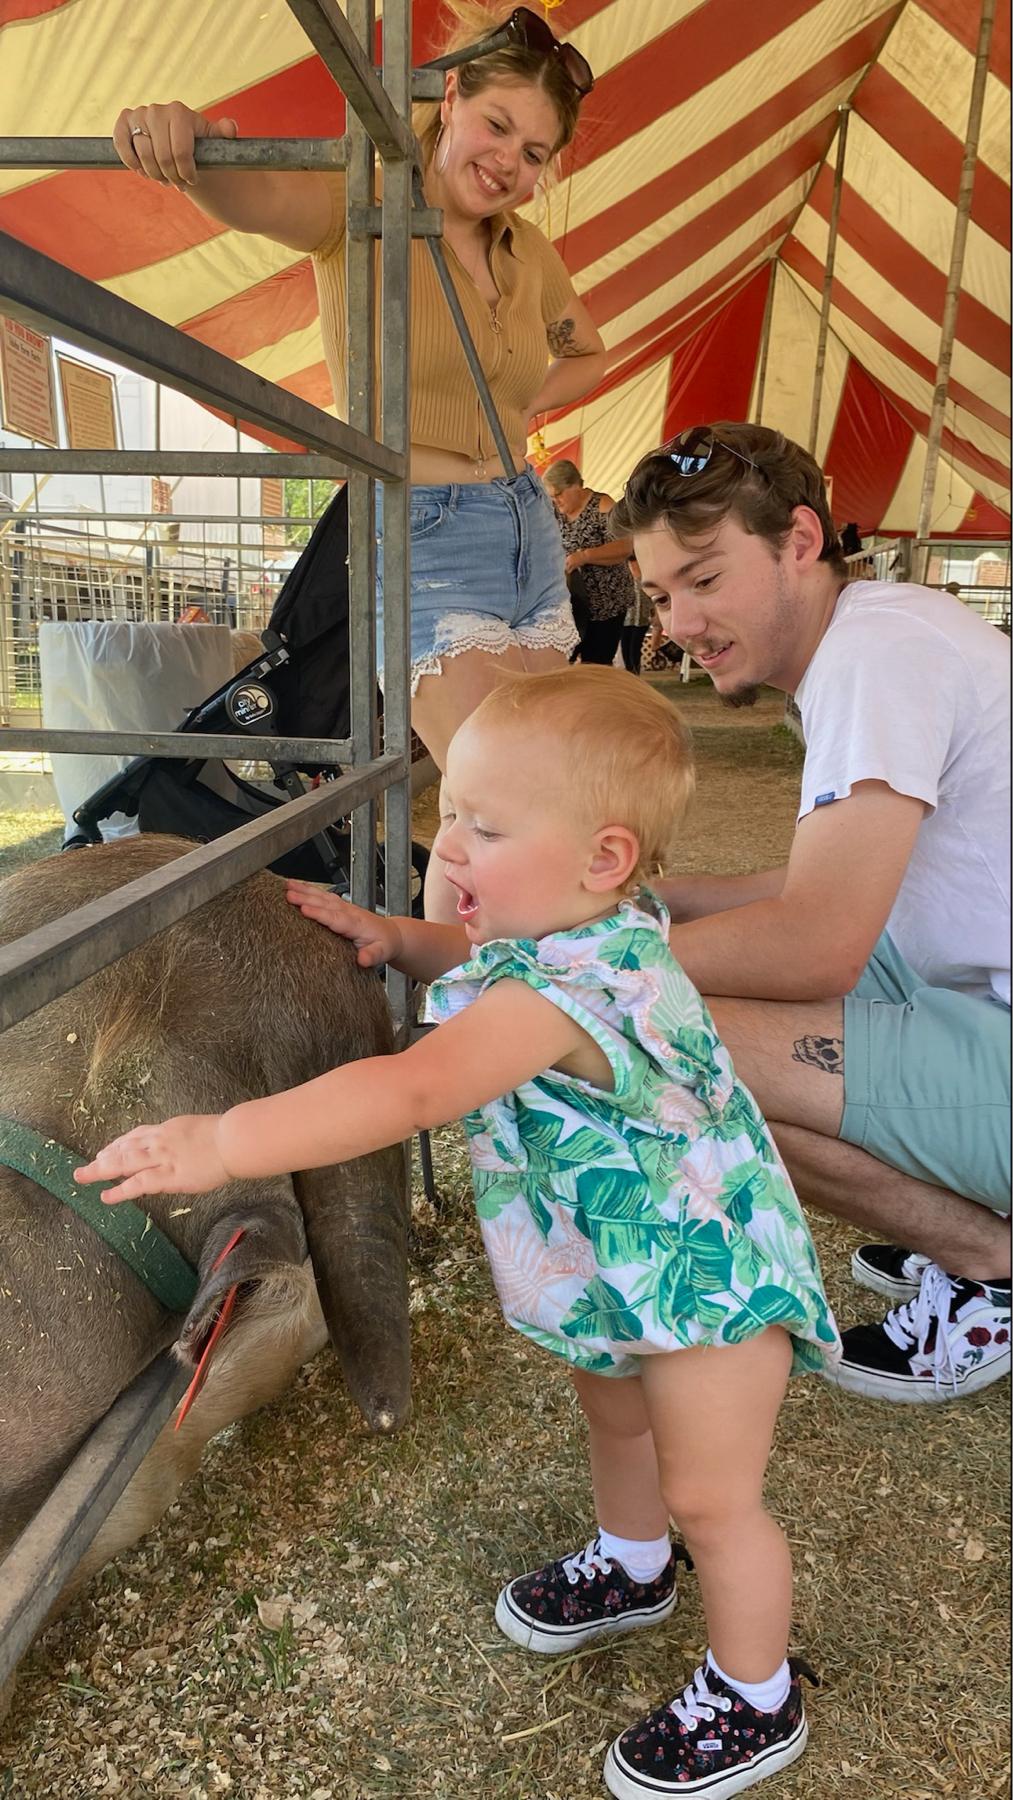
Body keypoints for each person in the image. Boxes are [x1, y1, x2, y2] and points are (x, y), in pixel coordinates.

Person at [78, 665, 841, 1800]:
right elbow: (484, 959)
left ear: (604, 859)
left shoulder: (559, 997)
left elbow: (411, 1091)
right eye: (450, 815)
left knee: (713, 1501)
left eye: (484, 826)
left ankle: (754, 1693)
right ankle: (633, 1567)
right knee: (614, 1418)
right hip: (621, 1275)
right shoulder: (577, 933)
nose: (450, 846)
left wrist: (223, 1143)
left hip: (706, 1288)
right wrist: (394, 935)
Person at [113, 3, 606, 920]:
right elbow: (249, 193)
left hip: (523, 519)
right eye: (499, 126)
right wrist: (188, 145)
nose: (509, 161)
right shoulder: (366, 194)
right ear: (450, 98)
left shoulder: (527, 251)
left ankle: (517, 985)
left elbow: (587, 349)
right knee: (501, 795)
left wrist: (513, 402)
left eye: (535, 152)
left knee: (551, 770)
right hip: (420, 524)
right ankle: (494, 991)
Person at [612, 422, 1011, 1404]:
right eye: (661, 595)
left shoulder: (871, 661)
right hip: (965, 988)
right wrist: (648, 907)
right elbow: (814, 888)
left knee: (647, 1037)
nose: (680, 622)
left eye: (704, 579)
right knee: (669, 987)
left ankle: (990, 1268)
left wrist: (597, 963)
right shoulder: (874, 633)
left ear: (797, 541)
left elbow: (818, 942)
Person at [543, 459, 635, 664]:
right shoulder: (554, 513)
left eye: (559, 494)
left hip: (607, 603)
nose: (555, 500)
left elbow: (626, 546)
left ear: (576, 486)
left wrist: (584, 556)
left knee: (596, 662)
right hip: (573, 603)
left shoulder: (603, 505)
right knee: (563, 659)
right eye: (552, 496)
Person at [620, 553, 654, 674]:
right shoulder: (623, 570)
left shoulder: (646, 571)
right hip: (625, 617)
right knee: (625, 647)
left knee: (635, 646)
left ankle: (635, 673)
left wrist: (654, 612)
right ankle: (630, 672)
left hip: (642, 616)